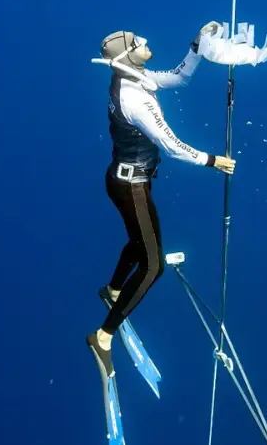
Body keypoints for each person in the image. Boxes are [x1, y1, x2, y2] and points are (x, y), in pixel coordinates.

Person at [87, 22, 236, 378]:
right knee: (153, 267)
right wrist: (211, 160)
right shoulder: (133, 97)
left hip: (126, 181)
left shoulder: (137, 77)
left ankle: (112, 289)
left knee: (139, 244)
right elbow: (170, 144)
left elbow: (179, 78)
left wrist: (197, 46)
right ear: (126, 56)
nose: (145, 41)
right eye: (138, 42)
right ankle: (103, 336)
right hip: (131, 187)